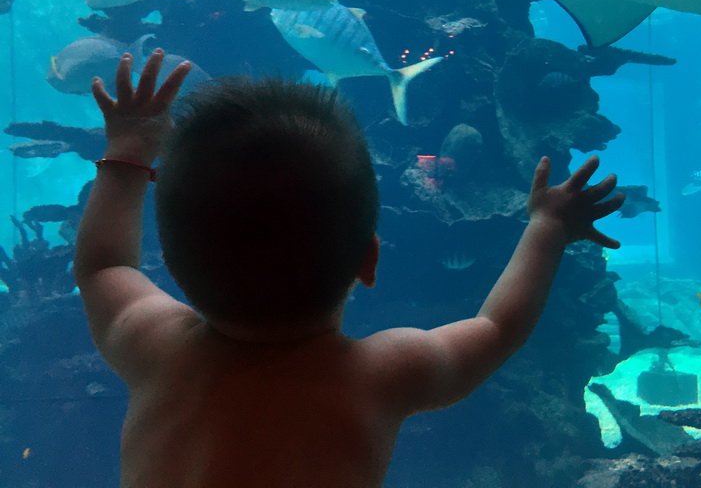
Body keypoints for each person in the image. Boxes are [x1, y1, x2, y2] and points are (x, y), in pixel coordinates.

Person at [74, 49, 623, 488]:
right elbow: (497, 327)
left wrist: (129, 147)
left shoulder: (154, 344)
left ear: (168, 260)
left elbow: (103, 265)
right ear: (371, 258)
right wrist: (547, 228)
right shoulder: (380, 373)